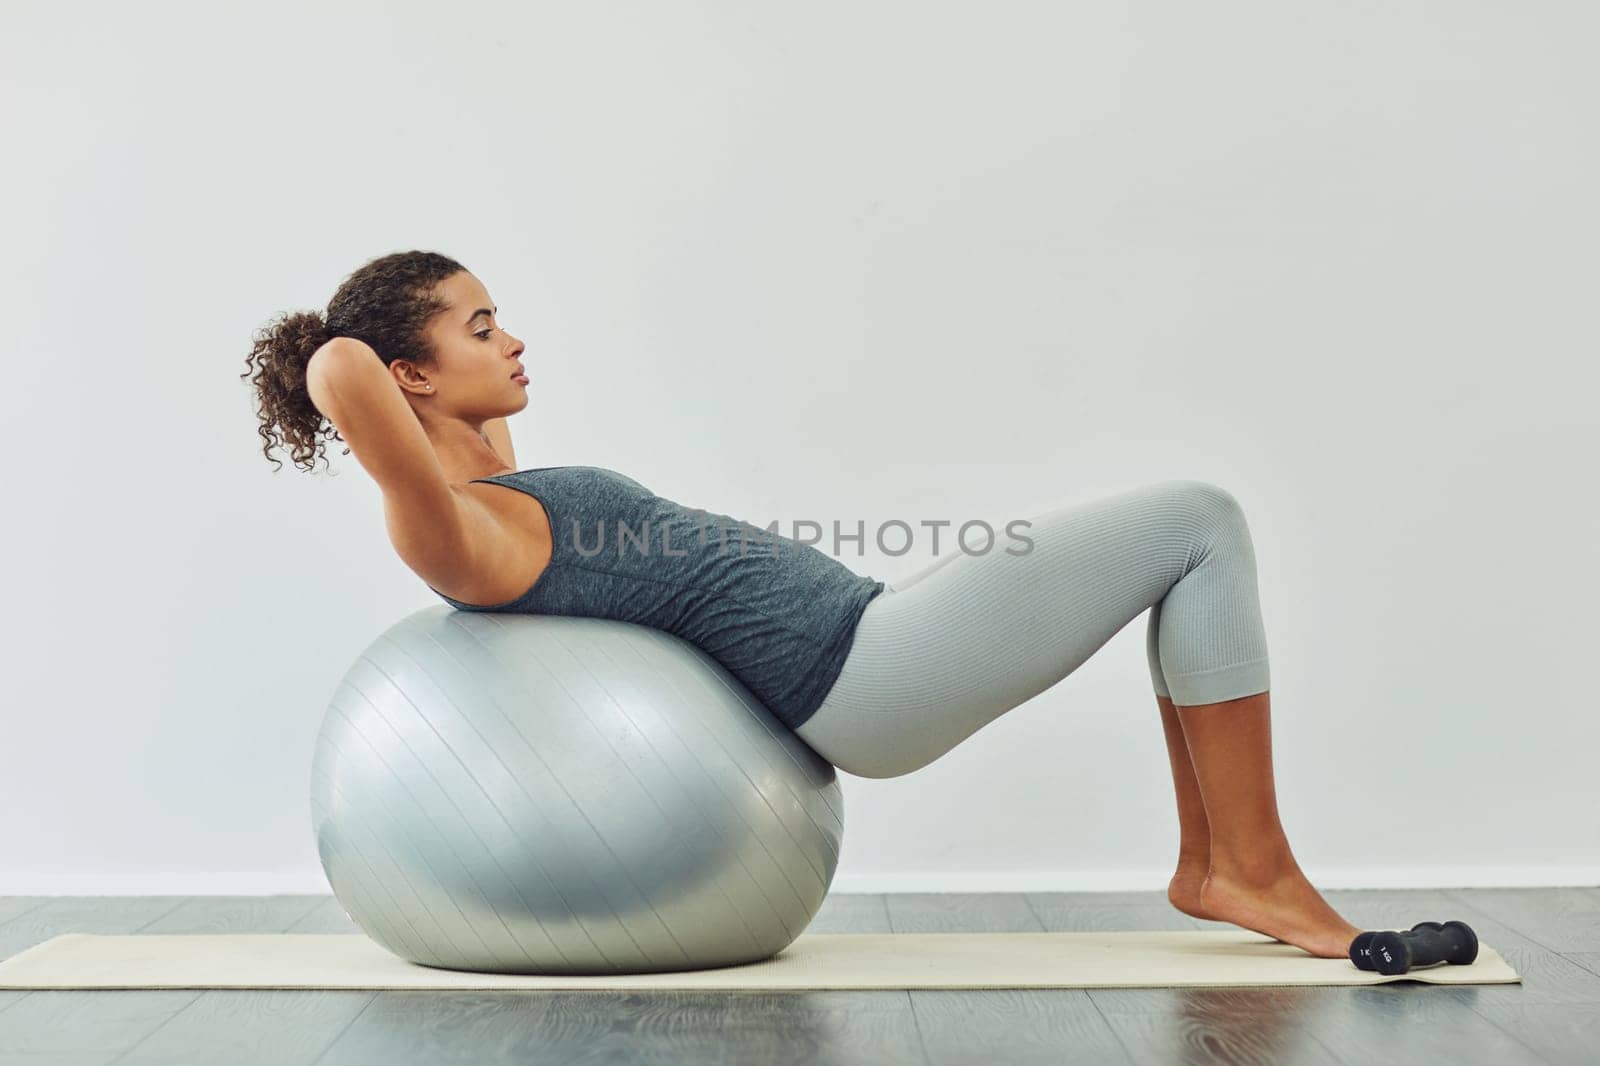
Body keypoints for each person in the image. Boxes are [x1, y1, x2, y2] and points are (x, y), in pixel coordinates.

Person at [243, 249, 1364, 959]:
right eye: (480, 325)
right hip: (867, 669)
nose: (515, 337)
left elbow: (407, 393)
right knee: (1198, 517)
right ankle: (1246, 868)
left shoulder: (490, 476)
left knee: (1187, 537)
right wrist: (343, 343)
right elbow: (344, 366)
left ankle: (1219, 860)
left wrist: (442, 363)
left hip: (872, 628)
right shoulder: (448, 524)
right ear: (408, 379)